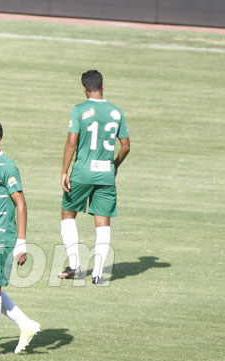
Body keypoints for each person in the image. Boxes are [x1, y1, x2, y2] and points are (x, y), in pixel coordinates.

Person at [0, 120, 40, 359]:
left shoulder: (7, 166)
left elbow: (21, 203)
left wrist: (21, 243)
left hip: (0, 238)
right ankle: (25, 324)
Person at [58, 70, 130, 284]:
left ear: (84, 89)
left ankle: (75, 267)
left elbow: (72, 142)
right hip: (106, 175)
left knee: (68, 214)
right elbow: (125, 147)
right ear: (103, 86)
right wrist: (113, 166)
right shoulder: (117, 112)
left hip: (82, 173)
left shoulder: (79, 109)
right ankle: (98, 274)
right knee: (103, 222)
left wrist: (64, 171)